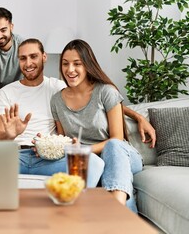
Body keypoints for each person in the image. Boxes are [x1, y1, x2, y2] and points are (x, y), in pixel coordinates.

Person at [0, 38, 104, 187]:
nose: (28, 63)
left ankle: (77, 206)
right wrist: (10, 134)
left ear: (44, 57)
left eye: (33, 56)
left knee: (94, 162)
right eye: (23, 58)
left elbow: (94, 100)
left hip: (48, 159)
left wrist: (137, 116)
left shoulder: (58, 87)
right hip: (15, 156)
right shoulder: (6, 92)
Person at [50, 39, 144, 212]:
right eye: (65, 64)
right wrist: (49, 143)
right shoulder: (56, 100)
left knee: (114, 146)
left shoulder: (106, 92)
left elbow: (117, 138)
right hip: (90, 161)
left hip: (122, 155)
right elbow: (64, 140)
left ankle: (115, 211)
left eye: (77, 63)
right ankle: (125, 219)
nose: (70, 70)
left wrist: (85, 150)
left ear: (87, 65)